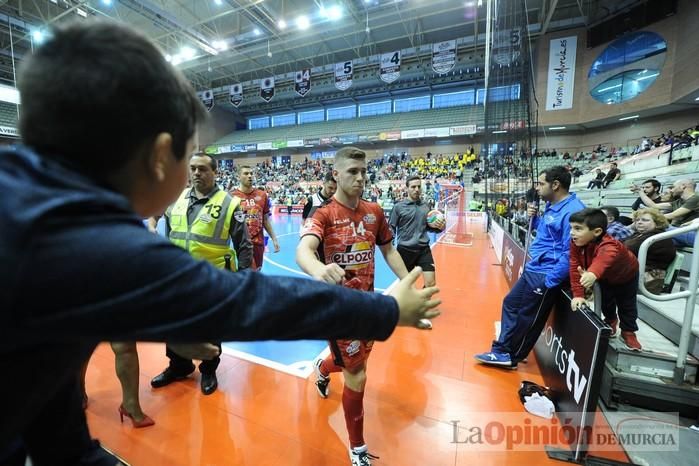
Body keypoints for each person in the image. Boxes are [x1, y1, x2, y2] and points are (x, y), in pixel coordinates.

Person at [0, 21, 440, 466]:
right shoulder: (94, 243)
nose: (193, 174)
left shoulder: (34, 210)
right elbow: (249, 303)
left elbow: (53, 431)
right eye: (187, 157)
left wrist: (170, 323)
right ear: (158, 157)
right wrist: (388, 311)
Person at [296, 147, 437, 466]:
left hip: (369, 306)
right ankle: (357, 446)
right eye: (352, 172)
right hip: (339, 309)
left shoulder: (375, 212)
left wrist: (409, 286)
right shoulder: (323, 214)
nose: (360, 177)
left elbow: (389, 252)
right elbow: (304, 250)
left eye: (363, 171)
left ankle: (323, 368)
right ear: (336, 174)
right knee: (357, 373)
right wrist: (319, 269)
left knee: (353, 362)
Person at [150, 153, 253, 396]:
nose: (196, 173)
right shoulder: (177, 197)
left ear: (215, 172)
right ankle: (179, 366)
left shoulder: (229, 204)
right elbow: (162, 220)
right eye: (193, 168)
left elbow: (244, 245)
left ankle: (209, 369)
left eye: (202, 169)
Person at [474, 166, 585, 368]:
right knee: (511, 303)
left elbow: (570, 252)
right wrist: (535, 221)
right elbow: (547, 235)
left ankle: (511, 356)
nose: (538, 188)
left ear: (556, 185)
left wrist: (550, 280)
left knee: (528, 316)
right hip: (534, 267)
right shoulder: (552, 205)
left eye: (541, 184)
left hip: (546, 273)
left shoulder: (573, 211)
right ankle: (502, 348)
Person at [569, 208, 642, 351]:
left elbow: (603, 260)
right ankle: (611, 321)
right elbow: (574, 266)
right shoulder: (575, 242)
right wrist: (578, 295)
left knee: (627, 305)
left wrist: (592, 273)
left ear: (596, 231)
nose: (572, 232)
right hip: (604, 277)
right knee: (606, 302)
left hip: (626, 276)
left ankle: (628, 331)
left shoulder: (610, 245)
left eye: (578, 229)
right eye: (571, 228)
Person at [389, 175, 447, 330]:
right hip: (404, 250)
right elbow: (391, 227)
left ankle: (419, 311)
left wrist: (439, 227)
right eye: (413, 187)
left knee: (430, 283)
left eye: (418, 186)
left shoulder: (426, 206)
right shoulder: (398, 207)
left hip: (423, 249)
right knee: (405, 285)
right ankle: (398, 311)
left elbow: (428, 227)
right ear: (407, 188)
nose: (416, 189)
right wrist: (390, 245)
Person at [231, 165, 280, 269]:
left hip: (258, 244)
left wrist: (274, 239)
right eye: (246, 173)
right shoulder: (231, 196)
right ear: (238, 176)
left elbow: (265, 220)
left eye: (251, 173)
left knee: (256, 272)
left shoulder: (262, 195)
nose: (250, 176)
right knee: (246, 275)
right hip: (241, 244)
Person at [624, 209, 677, 294]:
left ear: (657, 223)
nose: (639, 222)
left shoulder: (658, 238)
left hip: (647, 282)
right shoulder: (639, 234)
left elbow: (625, 251)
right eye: (637, 220)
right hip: (634, 275)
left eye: (645, 220)